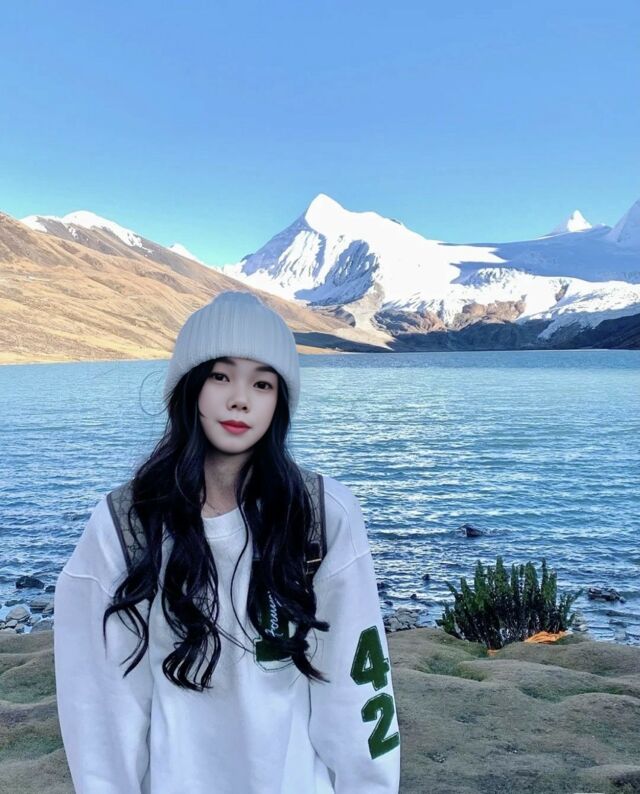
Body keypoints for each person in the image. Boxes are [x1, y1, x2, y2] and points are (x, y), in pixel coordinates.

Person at [53, 289, 401, 793]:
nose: (240, 398)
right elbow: (101, 706)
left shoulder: (322, 516)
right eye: (221, 376)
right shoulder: (126, 525)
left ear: (279, 401)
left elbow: (356, 684)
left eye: (262, 383)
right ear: (189, 387)